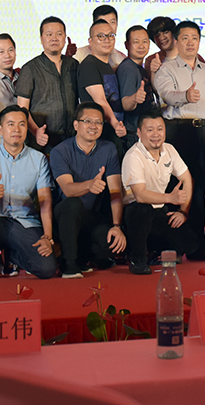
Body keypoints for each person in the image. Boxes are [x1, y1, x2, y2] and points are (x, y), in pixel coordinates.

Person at [153, 20, 205, 261]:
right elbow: (166, 95)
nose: (190, 42)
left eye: (194, 38)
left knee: (199, 188)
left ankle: (198, 245)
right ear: (176, 41)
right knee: (176, 187)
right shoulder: (167, 69)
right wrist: (185, 95)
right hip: (179, 132)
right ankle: (174, 245)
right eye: (185, 38)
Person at [0, 105, 57, 282]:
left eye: (22, 124)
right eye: (11, 124)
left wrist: (48, 237)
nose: (16, 129)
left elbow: (45, 200)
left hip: (24, 223)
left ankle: (12, 255)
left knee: (46, 268)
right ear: (0, 129)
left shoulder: (38, 159)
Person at [51, 103, 127, 278]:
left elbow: (115, 191)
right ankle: (69, 264)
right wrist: (88, 185)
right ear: (76, 125)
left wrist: (117, 226)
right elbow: (68, 190)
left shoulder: (108, 149)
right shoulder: (60, 151)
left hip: (90, 216)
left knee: (111, 244)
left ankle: (83, 257)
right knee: (73, 204)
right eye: (88, 121)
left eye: (98, 122)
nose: (93, 126)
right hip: (64, 216)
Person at [121, 113, 195, 274]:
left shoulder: (169, 149)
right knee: (143, 210)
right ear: (139, 132)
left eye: (160, 129)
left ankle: (153, 250)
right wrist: (170, 198)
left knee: (189, 243)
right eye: (150, 130)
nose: (156, 134)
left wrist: (183, 212)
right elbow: (140, 195)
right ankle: (137, 259)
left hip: (159, 210)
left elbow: (187, 178)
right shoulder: (134, 156)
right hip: (135, 212)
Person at [15, 16, 79, 154]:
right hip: (42, 140)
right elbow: (22, 108)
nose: (54, 38)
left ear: (65, 37)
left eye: (59, 34)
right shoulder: (30, 68)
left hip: (72, 139)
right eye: (49, 34)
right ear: (41, 39)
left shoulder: (74, 65)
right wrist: (35, 131)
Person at [78, 18, 127, 142]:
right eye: (101, 36)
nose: (107, 40)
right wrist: (115, 124)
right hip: (100, 133)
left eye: (111, 35)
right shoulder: (89, 65)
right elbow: (100, 100)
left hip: (114, 130)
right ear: (90, 41)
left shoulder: (107, 65)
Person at [117, 25, 156, 150]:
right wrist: (134, 98)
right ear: (127, 45)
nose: (141, 46)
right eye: (136, 42)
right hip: (133, 136)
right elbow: (126, 104)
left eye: (144, 41)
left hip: (141, 133)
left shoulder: (139, 68)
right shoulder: (128, 69)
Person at [144, 16, 177, 80]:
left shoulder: (191, 57)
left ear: (173, 33)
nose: (162, 38)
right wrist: (154, 72)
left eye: (166, 32)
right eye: (157, 35)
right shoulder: (150, 60)